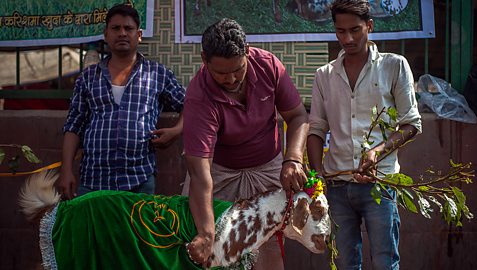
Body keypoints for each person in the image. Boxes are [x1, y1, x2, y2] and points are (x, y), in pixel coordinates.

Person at [181, 18, 309, 269]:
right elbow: (200, 172)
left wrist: (293, 158)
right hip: (220, 175)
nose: (231, 79)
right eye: (221, 73)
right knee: (220, 247)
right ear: (204, 59)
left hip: (268, 167)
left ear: (248, 52)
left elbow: (297, 117)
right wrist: (206, 233)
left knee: (268, 245)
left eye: (238, 69)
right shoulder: (199, 95)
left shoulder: (269, 66)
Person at [307, 0, 422, 269]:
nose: (347, 38)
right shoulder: (324, 75)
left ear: (369, 26)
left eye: (355, 30)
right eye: (340, 31)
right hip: (336, 187)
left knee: (385, 262)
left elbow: (412, 124)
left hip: (380, 184)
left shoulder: (394, 66)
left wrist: (377, 151)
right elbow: (316, 130)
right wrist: (317, 175)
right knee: (346, 263)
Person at [58, 4, 185, 199]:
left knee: (137, 230)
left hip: (139, 178)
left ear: (139, 35)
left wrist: (176, 131)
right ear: (106, 34)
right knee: (94, 230)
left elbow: (191, 105)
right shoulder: (88, 77)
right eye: (116, 28)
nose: (122, 33)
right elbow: (74, 125)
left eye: (129, 28)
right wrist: (66, 170)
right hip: (94, 179)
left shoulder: (157, 74)